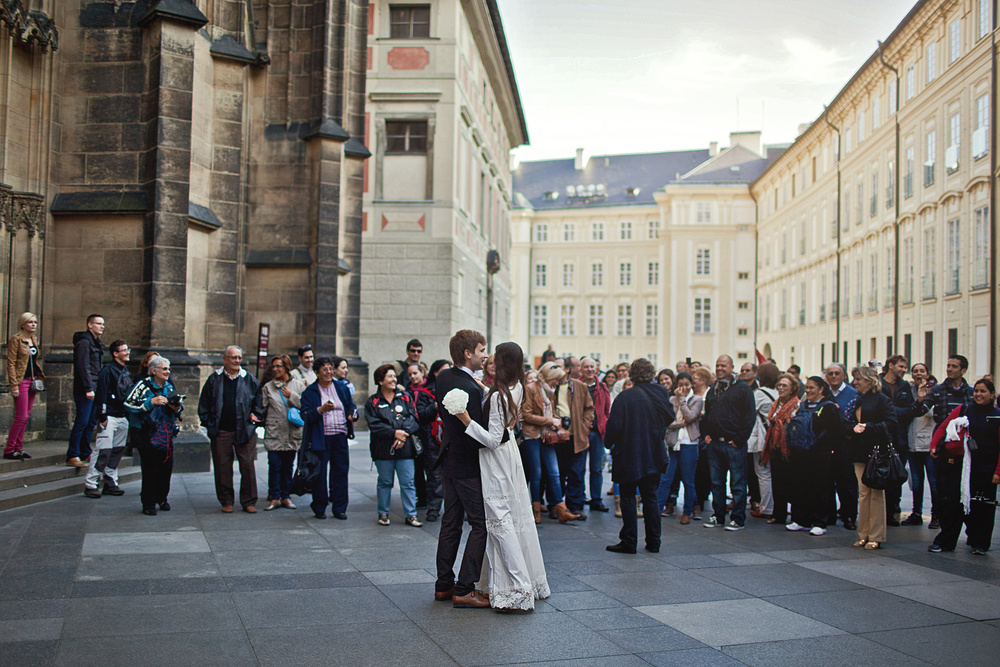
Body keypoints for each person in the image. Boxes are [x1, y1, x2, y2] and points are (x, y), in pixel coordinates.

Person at [455, 342, 550, 612]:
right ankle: (521, 581)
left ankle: (518, 588)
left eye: (495, 356)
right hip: (511, 458)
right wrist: (484, 389)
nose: (490, 359)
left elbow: (492, 440)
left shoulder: (499, 395)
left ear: (504, 363)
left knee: (500, 521)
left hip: (496, 461)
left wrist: (466, 420)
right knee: (512, 518)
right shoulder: (515, 387)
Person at [434, 329, 490, 608]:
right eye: (482, 350)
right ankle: (465, 588)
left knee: (451, 523)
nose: (486, 355)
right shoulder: (468, 387)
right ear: (468, 353)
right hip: (468, 462)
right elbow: (475, 430)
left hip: (449, 459)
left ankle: (443, 584)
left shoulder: (444, 376)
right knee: (480, 525)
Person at [605, 358, 674, 554]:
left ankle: (629, 541)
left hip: (629, 453)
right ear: (651, 373)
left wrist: (608, 443)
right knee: (650, 497)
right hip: (653, 452)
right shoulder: (660, 392)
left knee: (628, 497)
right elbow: (670, 416)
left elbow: (614, 427)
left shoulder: (625, 397)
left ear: (632, 374)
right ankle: (654, 542)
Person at [928, 378, 1000, 555]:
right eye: (976, 391)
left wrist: (998, 472)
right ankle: (945, 542)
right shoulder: (964, 410)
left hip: (986, 469)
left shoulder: (997, 416)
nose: (978, 394)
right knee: (952, 505)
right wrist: (934, 445)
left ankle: (979, 543)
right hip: (960, 468)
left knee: (982, 507)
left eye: (983, 391)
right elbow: (943, 427)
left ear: (992, 395)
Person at [197, 346, 262, 513]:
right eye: (233, 357)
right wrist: (210, 424)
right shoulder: (214, 379)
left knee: (247, 466)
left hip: (244, 430)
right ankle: (226, 500)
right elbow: (203, 404)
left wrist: (255, 416)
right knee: (222, 467)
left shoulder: (249, 379)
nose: (237, 361)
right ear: (224, 359)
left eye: (239, 357)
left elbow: (260, 402)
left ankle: (249, 501)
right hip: (221, 431)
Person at [520, 362, 579, 523]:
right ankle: (536, 510)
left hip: (547, 435)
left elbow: (551, 412)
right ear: (549, 377)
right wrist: (549, 420)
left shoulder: (549, 391)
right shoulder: (531, 388)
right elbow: (526, 415)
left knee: (554, 472)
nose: (557, 383)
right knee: (536, 473)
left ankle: (561, 509)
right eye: (556, 380)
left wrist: (555, 421)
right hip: (532, 435)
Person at [702, 355, 756, 531]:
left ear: (732, 367)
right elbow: (707, 415)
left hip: (733, 445)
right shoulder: (713, 390)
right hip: (715, 444)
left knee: (738, 483)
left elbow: (749, 417)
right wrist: (706, 435)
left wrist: (739, 440)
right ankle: (718, 516)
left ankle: (738, 519)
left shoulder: (742, 389)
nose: (719, 368)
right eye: (717, 365)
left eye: (723, 365)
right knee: (716, 483)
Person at [848, 364, 898, 550]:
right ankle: (863, 534)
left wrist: (868, 426)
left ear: (869, 381)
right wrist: (852, 428)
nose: (855, 382)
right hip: (859, 451)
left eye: (858, 379)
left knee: (876, 493)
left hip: (877, 451)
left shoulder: (882, 400)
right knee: (863, 493)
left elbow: (892, 423)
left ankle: (876, 535)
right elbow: (849, 422)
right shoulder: (857, 399)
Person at [301, 356, 357, 520]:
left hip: (340, 436)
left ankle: (340, 508)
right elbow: (305, 415)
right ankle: (319, 507)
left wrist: (353, 414)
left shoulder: (341, 388)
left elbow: (350, 406)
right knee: (320, 474)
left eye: (331, 368)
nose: (328, 372)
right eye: (324, 369)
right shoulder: (310, 392)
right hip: (321, 438)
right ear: (317, 372)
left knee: (340, 472)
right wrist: (321, 409)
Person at [365, 364, 422, 527]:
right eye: (390, 376)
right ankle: (383, 513)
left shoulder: (405, 396)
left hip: (405, 449)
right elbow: (374, 425)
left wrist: (402, 434)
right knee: (384, 482)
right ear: (380, 380)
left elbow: (413, 418)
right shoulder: (373, 401)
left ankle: (411, 514)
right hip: (382, 450)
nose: (394, 379)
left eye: (394, 376)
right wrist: (393, 433)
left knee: (408, 482)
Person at [786, 376, 842, 536]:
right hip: (801, 453)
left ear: (821, 389)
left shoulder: (829, 407)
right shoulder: (802, 405)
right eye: (807, 388)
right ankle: (801, 520)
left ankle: (819, 522)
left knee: (819, 488)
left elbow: (837, 431)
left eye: (812, 388)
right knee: (800, 485)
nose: (808, 391)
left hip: (820, 454)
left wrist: (832, 450)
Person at [125, 355, 179, 515]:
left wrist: (176, 408)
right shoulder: (142, 385)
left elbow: (176, 406)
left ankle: (162, 498)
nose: (167, 372)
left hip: (165, 433)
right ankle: (148, 503)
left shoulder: (169, 386)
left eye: (168, 369)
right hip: (146, 434)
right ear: (153, 370)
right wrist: (150, 402)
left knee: (166, 468)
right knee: (150, 469)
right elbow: (129, 403)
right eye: (164, 369)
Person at [83, 339, 133, 498]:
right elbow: (101, 393)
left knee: (117, 450)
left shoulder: (125, 371)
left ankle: (111, 481)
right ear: (115, 353)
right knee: (103, 451)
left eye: (127, 349)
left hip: (122, 416)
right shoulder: (107, 370)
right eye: (123, 350)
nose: (127, 352)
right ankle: (91, 483)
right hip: (109, 416)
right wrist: (102, 415)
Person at [256, 354, 305, 511]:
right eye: (274, 366)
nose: (275, 369)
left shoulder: (298, 385)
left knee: (288, 466)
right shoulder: (268, 387)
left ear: (287, 368)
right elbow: (261, 408)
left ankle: (286, 496)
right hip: (275, 432)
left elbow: (305, 406)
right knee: (274, 465)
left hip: (292, 432)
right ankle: (275, 497)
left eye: (279, 366)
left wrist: (292, 396)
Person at [553, 360, 596, 517]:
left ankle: (574, 506)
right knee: (557, 473)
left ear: (567, 369)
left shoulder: (579, 386)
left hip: (576, 436)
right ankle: (556, 506)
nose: (556, 370)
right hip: (556, 437)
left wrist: (585, 427)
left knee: (576, 473)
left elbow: (589, 408)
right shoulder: (551, 386)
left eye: (559, 367)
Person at [661, 371, 702, 524]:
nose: (683, 388)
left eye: (686, 385)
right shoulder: (671, 399)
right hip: (673, 443)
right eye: (680, 385)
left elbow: (691, 417)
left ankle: (687, 511)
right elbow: (667, 420)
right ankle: (658, 508)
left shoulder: (697, 399)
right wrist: (679, 423)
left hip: (689, 443)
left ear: (691, 385)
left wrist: (682, 400)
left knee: (688, 480)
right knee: (666, 478)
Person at [880, 355, 915, 526]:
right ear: (890, 365)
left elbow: (910, 410)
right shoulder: (878, 383)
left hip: (900, 437)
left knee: (896, 473)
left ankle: (894, 509)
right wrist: (894, 412)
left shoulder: (904, 386)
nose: (903, 370)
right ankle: (881, 511)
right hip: (881, 435)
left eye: (904, 367)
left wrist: (890, 411)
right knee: (880, 472)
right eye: (901, 366)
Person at [67, 314, 105, 467]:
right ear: (90, 325)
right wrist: (88, 388)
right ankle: (73, 454)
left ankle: (85, 451)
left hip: (96, 387)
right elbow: (83, 367)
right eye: (98, 323)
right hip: (86, 389)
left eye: (103, 324)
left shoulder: (96, 343)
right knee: (82, 422)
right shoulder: (84, 342)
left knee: (90, 423)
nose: (102, 326)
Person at [825, 363, 859, 530]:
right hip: (826, 443)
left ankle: (849, 516)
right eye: (830, 373)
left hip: (846, 443)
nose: (833, 376)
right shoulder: (823, 393)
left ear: (844, 375)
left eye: (837, 373)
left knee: (846, 482)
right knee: (827, 481)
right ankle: (829, 515)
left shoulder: (853, 394)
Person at [4, 312, 43, 460]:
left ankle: (18, 448)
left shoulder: (33, 339)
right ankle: (9, 449)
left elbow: (33, 361)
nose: (33, 325)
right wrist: (13, 385)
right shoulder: (16, 340)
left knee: (26, 416)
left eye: (35, 322)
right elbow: (11, 363)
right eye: (30, 322)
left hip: (32, 381)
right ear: (22, 324)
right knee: (21, 416)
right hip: (21, 381)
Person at [763, 373, 800, 526]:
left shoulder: (796, 404)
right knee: (776, 481)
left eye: (785, 385)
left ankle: (796, 515)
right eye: (779, 385)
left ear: (792, 389)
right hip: (774, 446)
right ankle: (779, 514)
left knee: (791, 482)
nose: (781, 388)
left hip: (789, 448)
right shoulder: (776, 403)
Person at [905, 363, 938, 527]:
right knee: (916, 482)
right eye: (915, 371)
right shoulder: (909, 391)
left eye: (922, 371)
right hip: (912, 444)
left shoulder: (935, 391)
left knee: (933, 481)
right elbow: (908, 412)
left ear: (927, 373)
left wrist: (925, 398)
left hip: (928, 443)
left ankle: (936, 515)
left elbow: (931, 413)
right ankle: (916, 513)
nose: (918, 374)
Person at [407, 362, 440, 520]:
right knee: (432, 475)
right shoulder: (424, 393)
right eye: (410, 374)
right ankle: (431, 507)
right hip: (428, 437)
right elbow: (421, 415)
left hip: (446, 438)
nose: (413, 377)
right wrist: (434, 407)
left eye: (415, 373)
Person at [748, 363, 778, 518]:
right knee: (774, 473)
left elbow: (749, 413)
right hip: (776, 438)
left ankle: (766, 507)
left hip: (762, 439)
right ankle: (776, 506)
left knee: (763, 473)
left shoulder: (758, 394)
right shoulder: (778, 392)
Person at [581, 357, 610, 512]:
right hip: (581, 433)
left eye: (592, 367)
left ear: (596, 369)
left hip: (597, 433)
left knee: (596, 469)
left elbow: (607, 410)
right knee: (579, 468)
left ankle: (596, 500)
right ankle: (579, 498)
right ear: (581, 369)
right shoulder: (575, 386)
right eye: (586, 367)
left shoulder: (603, 387)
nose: (590, 370)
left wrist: (604, 424)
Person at [690, 366, 714, 520]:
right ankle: (695, 500)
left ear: (704, 380)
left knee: (703, 469)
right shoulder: (691, 394)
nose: (693, 381)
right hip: (693, 435)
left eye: (696, 378)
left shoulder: (709, 394)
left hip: (705, 436)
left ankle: (702, 496)